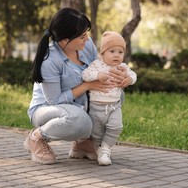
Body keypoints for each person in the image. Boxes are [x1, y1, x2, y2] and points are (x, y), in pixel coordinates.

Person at [24, 8, 127, 164]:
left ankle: (84, 143)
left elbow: (100, 67)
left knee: (116, 95)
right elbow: (54, 101)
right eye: (82, 36)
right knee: (80, 120)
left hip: (79, 104)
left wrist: (119, 78)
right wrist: (87, 85)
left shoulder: (86, 44)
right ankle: (37, 137)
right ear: (65, 40)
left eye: (86, 33)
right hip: (48, 109)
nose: (87, 39)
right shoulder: (50, 61)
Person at [82, 31, 137, 166]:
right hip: (96, 107)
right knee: (96, 133)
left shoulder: (122, 67)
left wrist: (128, 79)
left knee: (116, 126)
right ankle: (99, 150)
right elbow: (85, 75)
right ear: (103, 53)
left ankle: (106, 148)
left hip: (114, 106)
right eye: (112, 51)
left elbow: (134, 75)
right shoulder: (96, 65)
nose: (117, 55)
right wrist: (97, 75)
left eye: (120, 52)